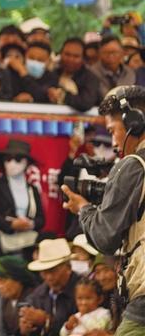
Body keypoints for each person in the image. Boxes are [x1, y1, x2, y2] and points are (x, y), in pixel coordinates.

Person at [62, 85, 145, 335]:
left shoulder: (133, 165)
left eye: (112, 130)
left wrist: (83, 208)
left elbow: (104, 237)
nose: (114, 142)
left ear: (134, 123)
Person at [0, 139, 45, 259]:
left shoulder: (32, 189)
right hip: (2, 237)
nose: (12, 164)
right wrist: (10, 224)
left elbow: (41, 219)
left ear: (26, 163)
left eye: (17, 159)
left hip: (27, 239)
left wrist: (29, 224)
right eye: (8, 159)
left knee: (48, 239)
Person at [20, 238, 80, 336]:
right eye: (44, 272)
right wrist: (26, 329)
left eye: (53, 271)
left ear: (68, 268)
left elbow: (81, 327)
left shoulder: (84, 290)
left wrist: (47, 321)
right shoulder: (38, 294)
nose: (49, 277)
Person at [48, 38, 102, 112]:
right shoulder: (53, 73)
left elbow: (86, 102)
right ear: (61, 54)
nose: (70, 59)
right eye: (67, 54)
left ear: (83, 59)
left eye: (76, 56)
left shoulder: (90, 78)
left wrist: (63, 96)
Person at [0, 255, 40, 336]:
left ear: (18, 279)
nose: (0, 286)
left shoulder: (34, 297)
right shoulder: (3, 300)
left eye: (3, 280)